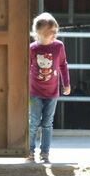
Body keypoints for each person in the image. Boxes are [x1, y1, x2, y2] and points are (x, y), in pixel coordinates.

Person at [27, 12, 70, 163]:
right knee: (33, 122)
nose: (54, 34)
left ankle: (45, 152)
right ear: (39, 32)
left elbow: (63, 65)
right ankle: (30, 151)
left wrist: (66, 83)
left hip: (52, 93)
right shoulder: (32, 48)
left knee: (47, 123)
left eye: (55, 31)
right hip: (34, 92)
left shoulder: (59, 47)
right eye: (50, 32)